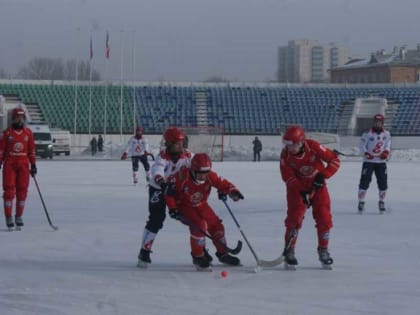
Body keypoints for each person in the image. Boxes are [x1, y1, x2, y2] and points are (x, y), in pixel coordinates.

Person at [164, 153, 244, 269]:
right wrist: (172, 208)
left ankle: (223, 253)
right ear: (193, 170)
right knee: (199, 225)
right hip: (184, 206)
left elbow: (222, 183)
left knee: (216, 225)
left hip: (202, 205)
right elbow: (169, 194)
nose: (203, 177)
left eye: (205, 173)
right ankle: (198, 256)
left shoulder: (210, 176)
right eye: (200, 174)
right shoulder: (181, 177)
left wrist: (232, 192)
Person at [280, 125, 340, 268]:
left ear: (300, 141)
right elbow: (288, 178)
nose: (289, 147)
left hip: (318, 187)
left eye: (291, 144)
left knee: (324, 217)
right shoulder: (285, 155)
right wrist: (302, 191)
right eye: (286, 144)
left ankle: (323, 250)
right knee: (294, 219)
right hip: (297, 190)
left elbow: (334, 161)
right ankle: (290, 251)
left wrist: (323, 176)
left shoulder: (313, 147)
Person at [137, 127, 193, 268]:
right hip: (158, 189)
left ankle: (200, 250)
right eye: (177, 143)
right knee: (156, 219)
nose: (181, 146)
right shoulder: (162, 156)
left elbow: (198, 164)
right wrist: (162, 183)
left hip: (176, 190)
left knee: (191, 215)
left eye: (182, 142)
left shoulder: (187, 156)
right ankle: (145, 250)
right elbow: (157, 170)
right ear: (169, 143)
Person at [0, 107, 37, 230]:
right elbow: (1, 151)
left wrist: (33, 165)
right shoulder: (7, 133)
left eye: (21, 118)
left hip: (23, 166)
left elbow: (31, 151)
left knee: (22, 191)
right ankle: (9, 217)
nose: (19, 120)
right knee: (9, 191)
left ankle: (19, 216)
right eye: (17, 118)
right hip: (9, 165)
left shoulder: (28, 133)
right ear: (13, 119)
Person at [357, 114, 391, 213]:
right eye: (376, 122)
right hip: (368, 162)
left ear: (382, 123)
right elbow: (362, 146)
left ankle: (381, 202)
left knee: (383, 182)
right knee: (365, 181)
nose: (377, 124)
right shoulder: (367, 133)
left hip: (381, 162)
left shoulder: (387, 134)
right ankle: (361, 201)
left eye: (379, 122)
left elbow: (388, 145)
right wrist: (366, 154)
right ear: (374, 122)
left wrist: (386, 152)